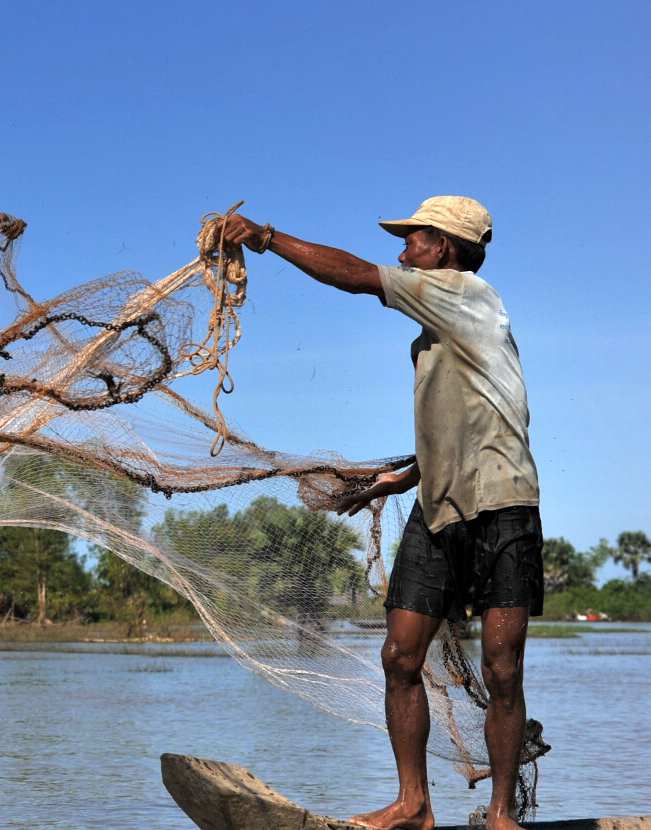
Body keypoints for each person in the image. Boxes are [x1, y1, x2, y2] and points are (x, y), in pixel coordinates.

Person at [220, 197, 543, 830]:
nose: (402, 252)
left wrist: (264, 237)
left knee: (502, 667)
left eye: (413, 240)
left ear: (444, 248)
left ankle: (503, 815)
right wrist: (402, 480)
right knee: (400, 657)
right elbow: (469, 415)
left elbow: (359, 276)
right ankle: (413, 804)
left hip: (502, 504)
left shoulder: (467, 296)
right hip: (437, 505)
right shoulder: (438, 327)